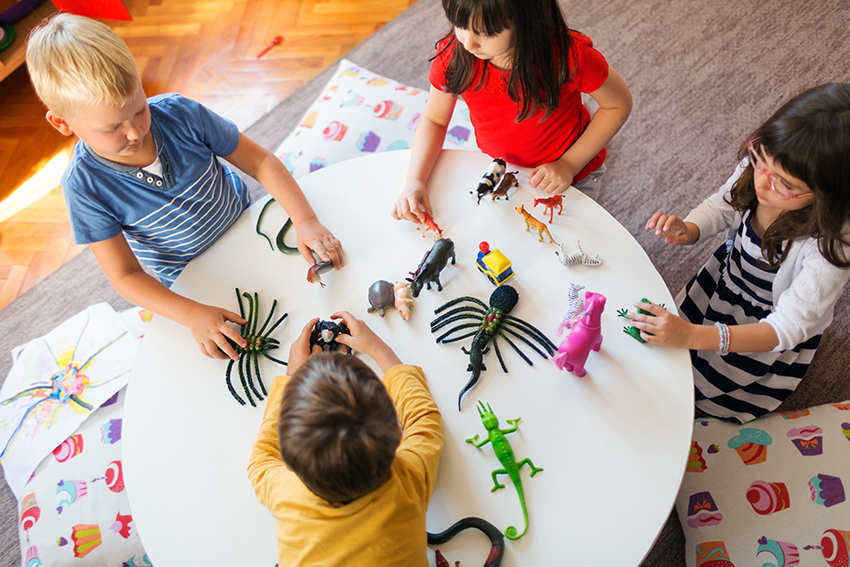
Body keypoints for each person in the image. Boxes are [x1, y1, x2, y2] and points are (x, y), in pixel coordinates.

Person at [26, 13, 343, 361]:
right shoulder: (83, 187)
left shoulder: (182, 113)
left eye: (139, 109)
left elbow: (261, 162)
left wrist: (306, 220)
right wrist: (191, 314)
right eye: (111, 127)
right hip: (188, 278)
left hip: (246, 226)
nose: (134, 132)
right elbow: (126, 275)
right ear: (61, 123)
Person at [637, 83, 850, 424]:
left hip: (764, 325)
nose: (763, 183)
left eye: (785, 185)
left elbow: (786, 327)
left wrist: (694, 336)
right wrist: (690, 229)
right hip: (726, 282)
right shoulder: (765, 168)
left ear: (829, 196)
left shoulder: (829, 247)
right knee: (668, 350)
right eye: (759, 159)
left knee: (705, 391)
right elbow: (725, 203)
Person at [392, 0, 632, 224]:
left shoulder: (570, 57)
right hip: (503, 171)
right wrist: (415, 180)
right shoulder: (454, 56)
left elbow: (618, 104)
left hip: (573, 174)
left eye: (485, 32)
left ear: (526, 18)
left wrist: (569, 164)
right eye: (460, 25)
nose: (468, 43)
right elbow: (434, 119)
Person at [248, 311, 443, 566]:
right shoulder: (406, 480)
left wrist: (292, 377)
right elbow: (424, 420)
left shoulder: (285, 493)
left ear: (288, 465)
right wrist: (377, 348)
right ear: (398, 436)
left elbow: (260, 460)